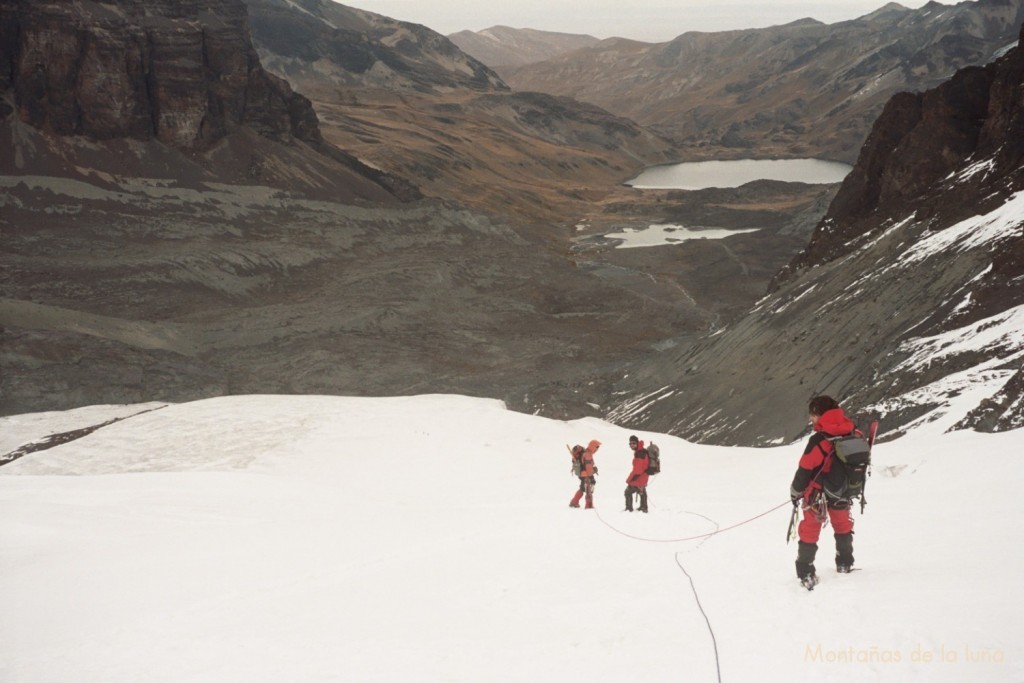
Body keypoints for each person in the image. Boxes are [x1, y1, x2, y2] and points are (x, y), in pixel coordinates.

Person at [789, 395, 860, 588]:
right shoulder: (853, 431)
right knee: (842, 524)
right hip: (842, 489)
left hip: (817, 492)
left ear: (819, 414)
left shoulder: (820, 439)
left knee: (811, 528)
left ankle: (805, 570)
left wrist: (795, 491)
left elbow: (805, 468)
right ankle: (845, 562)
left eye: (812, 415)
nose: (811, 419)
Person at [569, 439, 601, 509]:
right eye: (596, 448)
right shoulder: (588, 455)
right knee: (588, 490)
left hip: (582, 475)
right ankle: (589, 506)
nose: (596, 450)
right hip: (587, 475)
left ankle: (574, 502)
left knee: (582, 488)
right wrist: (593, 473)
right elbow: (589, 469)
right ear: (593, 447)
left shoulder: (584, 453)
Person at [624, 434, 649, 513]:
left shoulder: (639, 454)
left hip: (639, 478)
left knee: (627, 492)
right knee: (642, 491)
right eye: (630, 443)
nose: (631, 445)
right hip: (644, 477)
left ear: (637, 443)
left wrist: (628, 480)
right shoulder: (642, 451)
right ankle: (644, 507)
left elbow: (637, 471)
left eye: (633, 443)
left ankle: (629, 509)